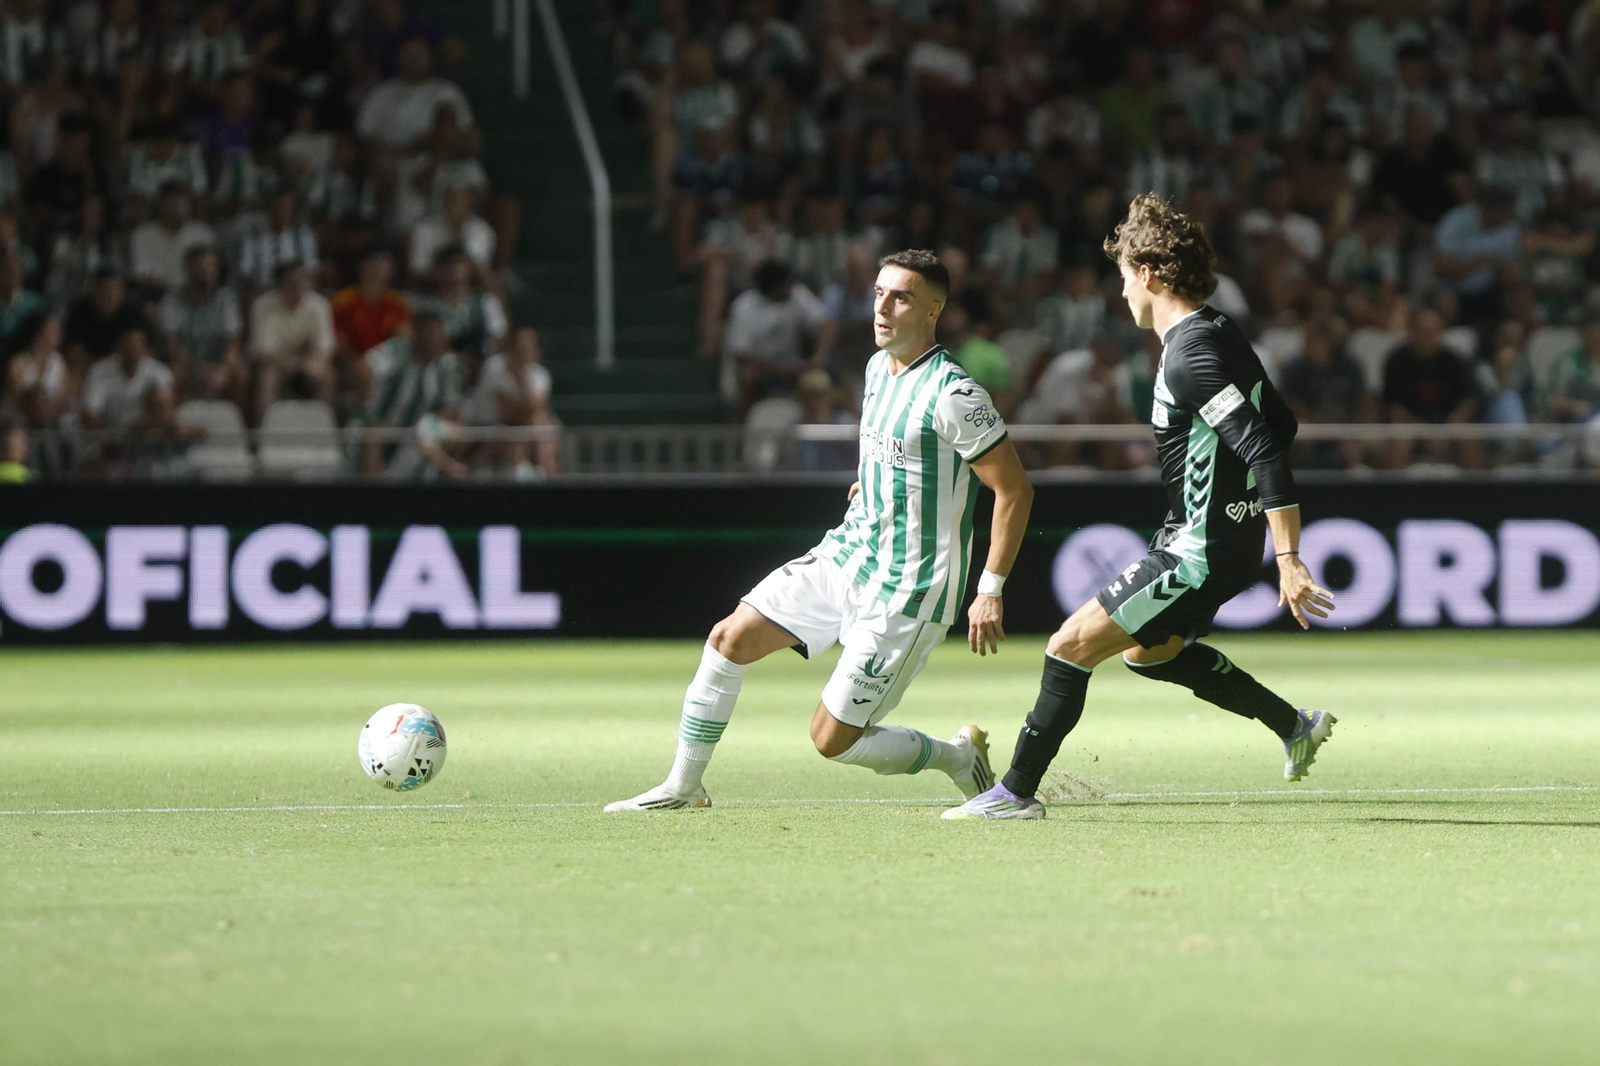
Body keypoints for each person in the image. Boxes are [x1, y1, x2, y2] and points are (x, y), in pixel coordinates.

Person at [946, 195, 1335, 821]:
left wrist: (1289, 556)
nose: (1122, 291)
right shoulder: (1217, 330)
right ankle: (1294, 725)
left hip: (1198, 551)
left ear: (1149, 275)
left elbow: (1264, 445)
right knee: (1147, 654)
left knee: (1068, 644)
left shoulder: (1188, 353)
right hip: (1216, 543)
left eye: (1125, 277)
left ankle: (1014, 793)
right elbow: (1281, 423)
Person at [606, 249, 1035, 812]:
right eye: (879, 292)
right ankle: (683, 786)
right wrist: (871, 483)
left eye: (901, 296)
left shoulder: (954, 393)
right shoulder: (875, 369)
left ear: (934, 310)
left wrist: (990, 590)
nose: (883, 306)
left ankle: (957, 758)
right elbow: (895, 453)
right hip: (847, 554)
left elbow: (1014, 490)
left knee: (832, 740)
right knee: (727, 638)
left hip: (908, 587)